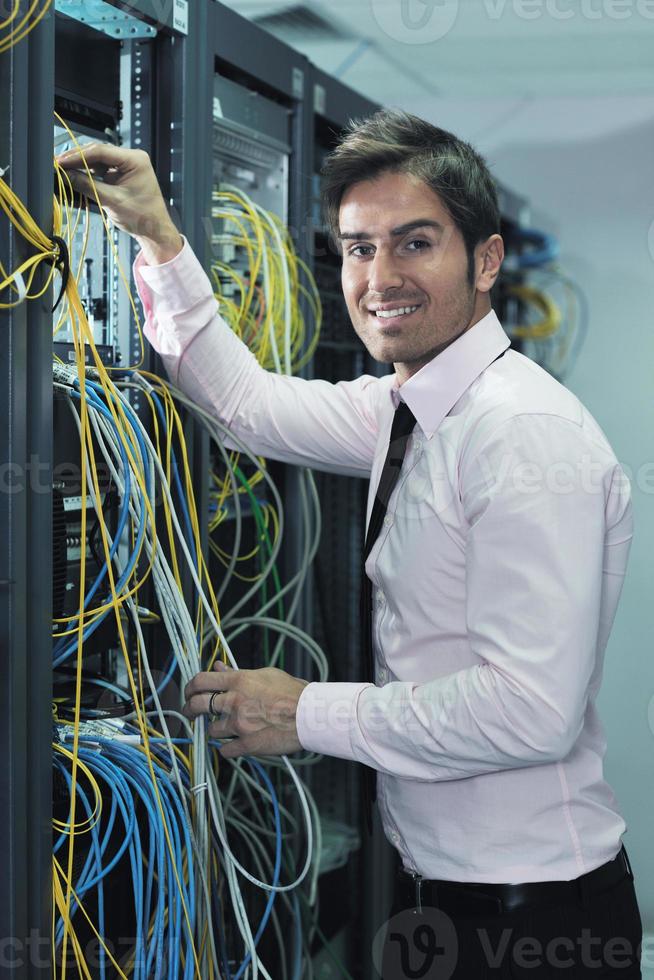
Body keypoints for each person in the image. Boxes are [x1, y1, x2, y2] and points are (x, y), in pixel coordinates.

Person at [57, 109, 643, 978]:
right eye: (359, 249)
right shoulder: (403, 411)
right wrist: (159, 238)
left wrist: (302, 712)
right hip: (441, 892)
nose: (379, 278)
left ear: (484, 261)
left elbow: (529, 711)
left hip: (532, 920)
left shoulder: (520, 436)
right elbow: (243, 405)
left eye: (415, 244)